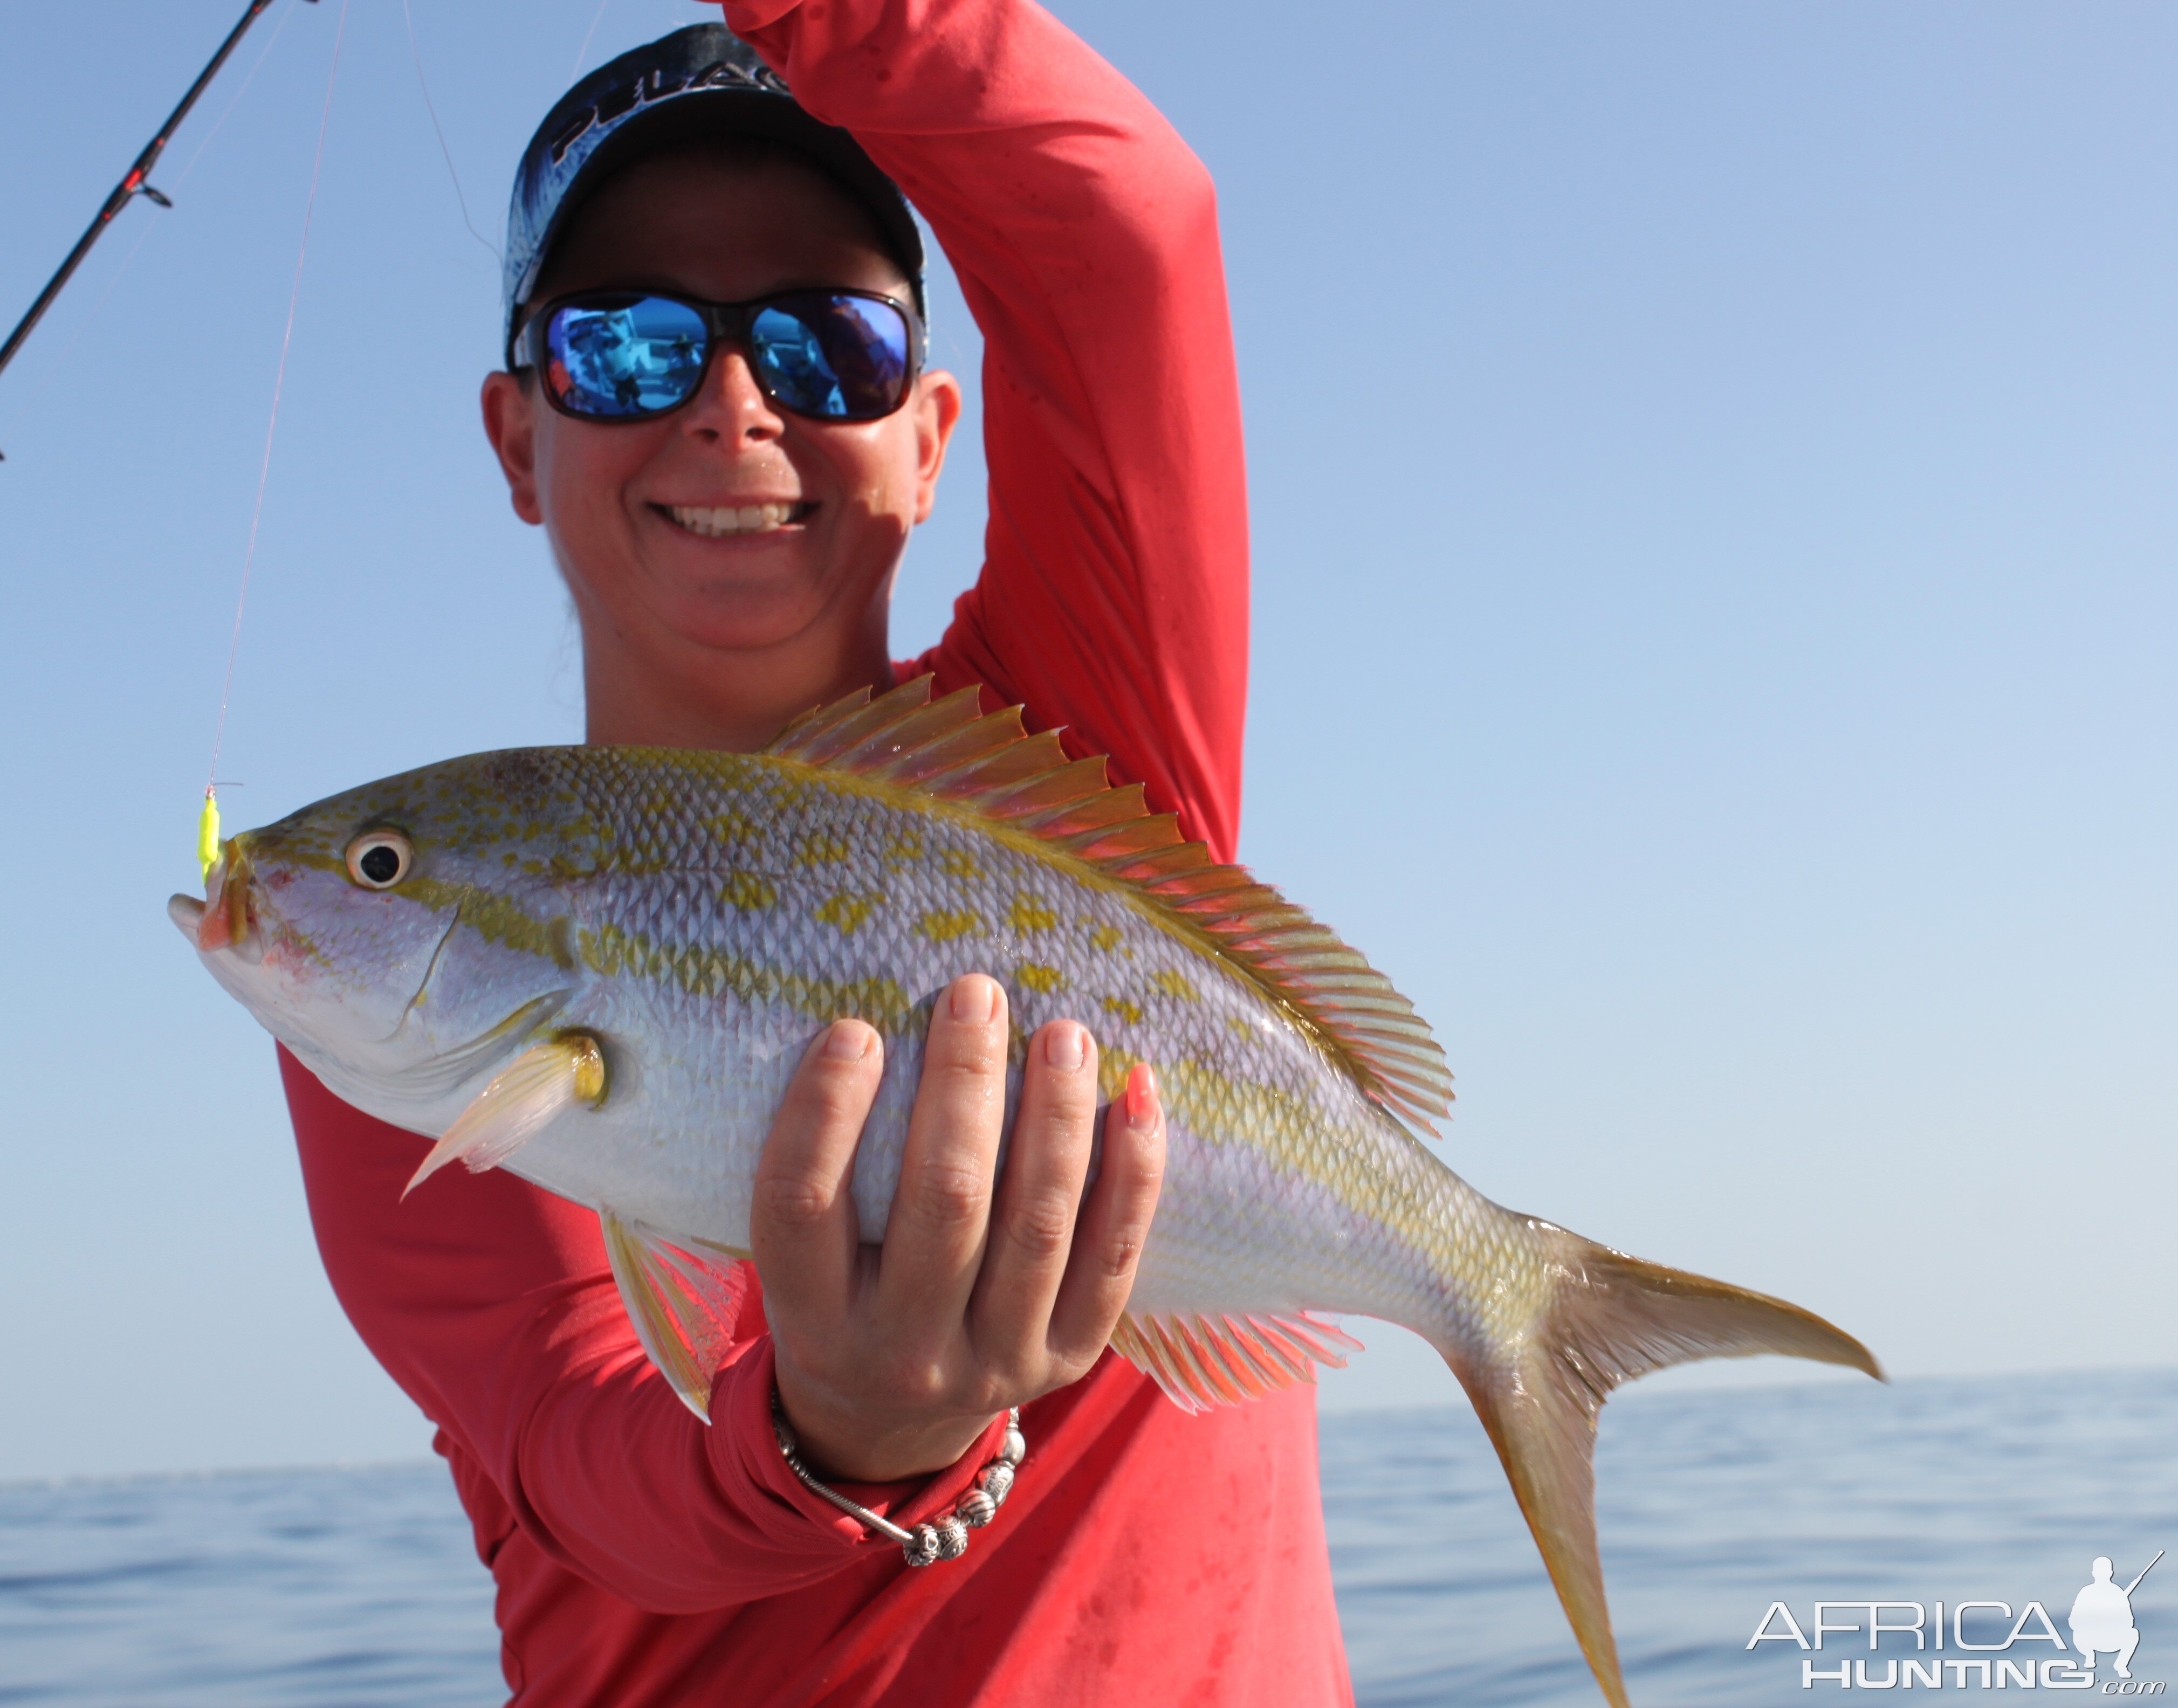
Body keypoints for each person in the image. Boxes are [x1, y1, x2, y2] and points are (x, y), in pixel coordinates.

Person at [278, 4, 1353, 1704]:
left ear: (932, 438)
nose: (730, 408)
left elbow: (1128, 227)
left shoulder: (1088, 749)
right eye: (626, 347)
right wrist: (840, 1437)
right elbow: (584, 1455)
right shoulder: (388, 956)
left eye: (826, 348)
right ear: (515, 437)